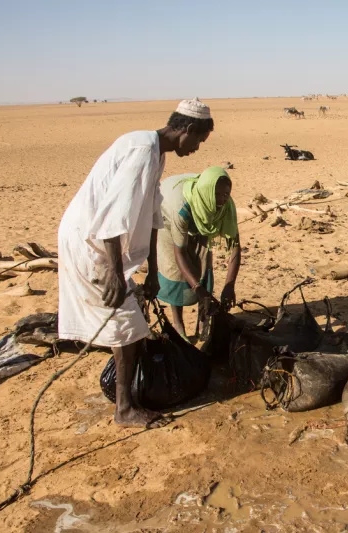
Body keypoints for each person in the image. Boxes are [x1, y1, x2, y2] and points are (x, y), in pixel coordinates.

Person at [57, 98, 214, 428]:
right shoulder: (142, 149)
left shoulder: (155, 153)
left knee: (129, 324)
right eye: (199, 140)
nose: (198, 148)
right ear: (186, 130)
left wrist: (153, 270)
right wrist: (115, 273)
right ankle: (125, 409)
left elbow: (154, 215)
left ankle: (128, 402)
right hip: (91, 244)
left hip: (103, 245)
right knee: (126, 325)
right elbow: (113, 214)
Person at [156, 166, 240, 338]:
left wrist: (229, 285)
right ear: (208, 193)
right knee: (176, 271)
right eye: (216, 194)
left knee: (203, 261)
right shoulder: (181, 209)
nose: (222, 199)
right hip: (166, 216)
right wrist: (197, 288)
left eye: (226, 194)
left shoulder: (225, 206)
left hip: (204, 215)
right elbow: (179, 252)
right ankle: (179, 324)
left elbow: (235, 247)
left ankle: (203, 320)